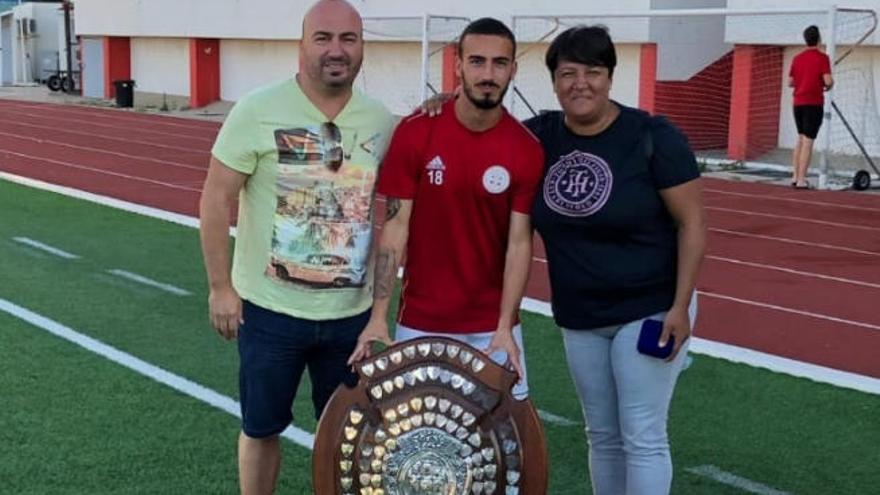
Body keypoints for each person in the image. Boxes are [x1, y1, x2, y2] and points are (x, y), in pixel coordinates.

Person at [198, 1, 395, 493]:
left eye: (348, 39)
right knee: (261, 428)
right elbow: (215, 199)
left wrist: (378, 310)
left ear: (362, 48)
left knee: (349, 437)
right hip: (270, 312)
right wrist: (220, 287)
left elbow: (392, 223)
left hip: (350, 317)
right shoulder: (257, 110)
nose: (336, 50)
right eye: (323, 37)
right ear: (301, 44)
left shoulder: (382, 122)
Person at [523, 26, 706, 494]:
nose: (580, 83)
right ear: (553, 80)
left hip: (650, 308)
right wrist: (443, 101)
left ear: (610, 77)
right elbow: (478, 131)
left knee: (642, 435)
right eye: (567, 73)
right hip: (581, 315)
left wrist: (681, 306)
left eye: (593, 72)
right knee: (601, 434)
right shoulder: (539, 136)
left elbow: (692, 226)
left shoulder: (652, 136)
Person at [347, 17, 544, 399]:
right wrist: (377, 317)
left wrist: (505, 325)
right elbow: (395, 229)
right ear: (457, 65)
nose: (488, 74)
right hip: (422, 323)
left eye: (499, 63)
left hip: (494, 328)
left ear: (513, 70)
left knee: (507, 441)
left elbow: (519, 244)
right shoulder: (417, 131)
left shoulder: (526, 148)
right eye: (477, 61)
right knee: (416, 441)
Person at [789, 24, 833, 189]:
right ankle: (801, 179)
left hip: (798, 104)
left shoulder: (797, 58)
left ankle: (794, 176)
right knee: (808, 141)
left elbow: (790, 82)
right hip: (813, 104)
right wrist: (828, 85)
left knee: (800, 139)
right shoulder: (822, 58)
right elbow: (828, 81)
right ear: (819, 39)